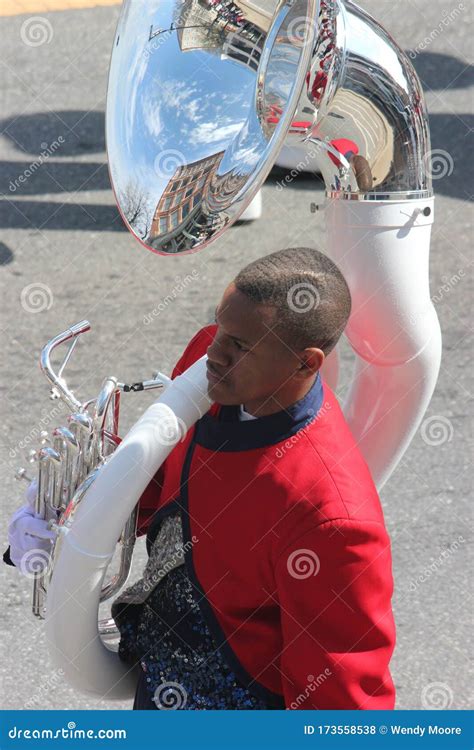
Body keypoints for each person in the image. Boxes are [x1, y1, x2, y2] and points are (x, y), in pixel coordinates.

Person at [5, 247, 396, 711]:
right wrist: (68, 518)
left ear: (306, 363)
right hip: (162, 675)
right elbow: (152, 482)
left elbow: (342, 705)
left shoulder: (333, 519)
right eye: (219, 327)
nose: (212, 352)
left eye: (241, 345)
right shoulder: (214, 363)